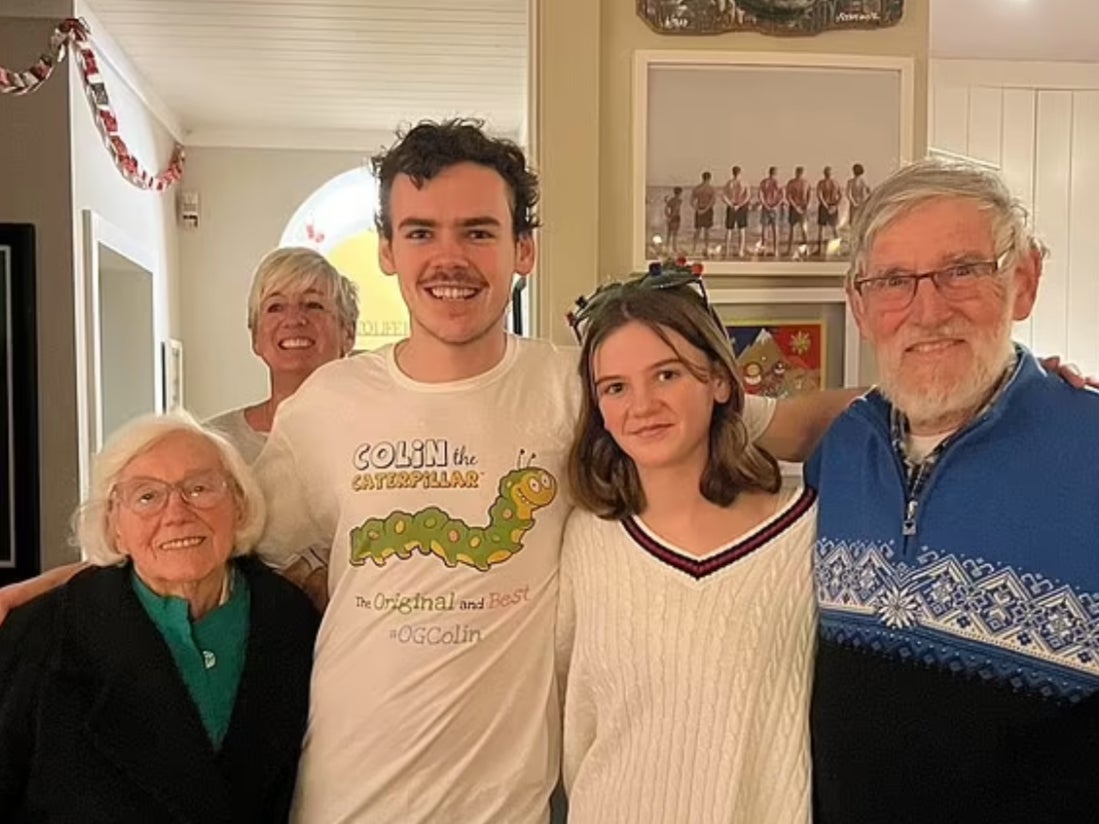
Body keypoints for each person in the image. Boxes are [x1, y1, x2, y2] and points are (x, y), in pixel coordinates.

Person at [0, 119, 869, 822]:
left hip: (510, 806)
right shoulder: (329, 404)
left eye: (478, 232)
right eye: (421, 232)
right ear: (387, 251)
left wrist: (923, 401)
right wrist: (47, 589)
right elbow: (211, 538)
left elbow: (783, 422)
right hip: (341, 798)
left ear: (521, 250)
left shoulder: (575, 386)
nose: (448, 257)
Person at [808, 158, 1099, 823]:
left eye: (962, 270)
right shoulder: (842, 450)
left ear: (1022, 282)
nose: (928, 310)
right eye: (893, 281)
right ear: (859, 306)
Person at [558, 265, 818, 823]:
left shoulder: (805, 534)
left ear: (721, 382)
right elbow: (571, 725)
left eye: (668, 375)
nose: (642, 404)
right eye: (616, 387)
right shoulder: (586, 540)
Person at [0, 412, 319, 823]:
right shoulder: (41, 633)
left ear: (239, 505)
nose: (177, 513)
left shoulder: (293, 621)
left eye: (200, 488)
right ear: (114, 524)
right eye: (147, 496)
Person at [206, 246, 359, 463]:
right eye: (276, 307)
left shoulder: (376, 435)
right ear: (255, 336)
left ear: (348, 333)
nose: (294, 319)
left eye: (313, 305)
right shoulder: (213, 445)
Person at [721, 165, 751, 258]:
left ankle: (727, 250)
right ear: (740, 172)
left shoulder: (729, 183)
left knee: (729, 229)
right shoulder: (744, 183)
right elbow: (747, 196)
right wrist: (740, 205)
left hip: (731, 206)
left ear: (732, 172)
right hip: (741, 207)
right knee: (741, 229)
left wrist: (731, 205)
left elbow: (723, 196)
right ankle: (740, 251)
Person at [814, 165, 842, 256]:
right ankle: (837, 250)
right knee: (831, 229)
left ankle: (822, 250)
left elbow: (820, 196)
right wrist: (834, 206)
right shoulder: (834, 183)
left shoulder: (822, 183)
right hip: (830, 205)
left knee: (828, 229)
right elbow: (840, 196)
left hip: (827, 206)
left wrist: (829, 206)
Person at [785, 165, 812, 258]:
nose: (799, 174)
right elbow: (788, 196)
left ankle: (805, 249)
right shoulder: (793, 183)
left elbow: (809, 195)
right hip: (796, 207)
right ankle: (790, 249)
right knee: (795, 230)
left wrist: (805, 206)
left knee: (803, 230)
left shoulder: (805, 183)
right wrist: (797, 206)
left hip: (801, 207)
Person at [690, 171, 717, 256]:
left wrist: (697, 209)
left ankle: (693, 248)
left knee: (697, 230)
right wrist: (705, 209)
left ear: (702, 178)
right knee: (707, 231)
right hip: (707, 210)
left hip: (699, 209)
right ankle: (706, 248)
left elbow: (691, 201)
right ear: (709, 178)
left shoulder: (697, 188)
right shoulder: (711, 189)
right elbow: (712, 202)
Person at [758, 166, 783, 257]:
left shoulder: (764, 182)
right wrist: (776, 205)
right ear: (776, 173)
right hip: (775, 208)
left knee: (765, 229)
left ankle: (764, 250)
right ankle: (776, 250)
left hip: (766, 207)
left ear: (769, 172)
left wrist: (765, 205)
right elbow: (782, 196)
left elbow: (760, 195)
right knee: (775, 229)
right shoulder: (778, 183)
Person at [844, 162, 870, 227]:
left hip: (854, 205)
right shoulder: (863, 182)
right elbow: (866, 193)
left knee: (853, 223)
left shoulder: (850, 182)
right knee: (861, 222)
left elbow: (848, 194)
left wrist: (853, 203)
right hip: (862, 203)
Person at [663, 185, 683, 253]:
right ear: (680, 193)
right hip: (676, 217)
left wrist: (668, 216)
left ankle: (667, 247)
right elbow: (676, 209)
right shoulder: (679, 201)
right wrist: (671, 217)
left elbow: (666, 209)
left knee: (669, 233)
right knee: (675, 234)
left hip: (671, 217)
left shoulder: (671, 200)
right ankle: (674, 248)